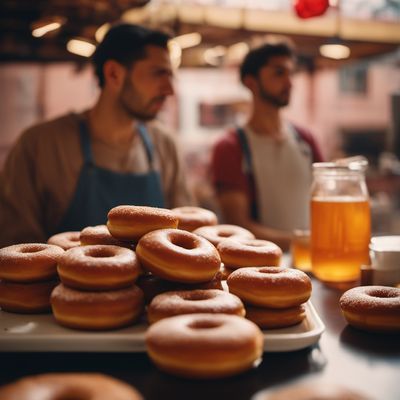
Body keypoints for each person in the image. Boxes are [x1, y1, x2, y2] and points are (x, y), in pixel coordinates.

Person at [0, 23, 193, 247]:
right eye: (159, 73)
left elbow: (185, 234)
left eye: (171, 76)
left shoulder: (165, 145)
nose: (170, 89)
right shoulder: (41, 145)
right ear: (113, 74)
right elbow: (15, 250)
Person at [211, 40, 323, 251]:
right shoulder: (231, 147)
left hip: (314, 261)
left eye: (291, 73)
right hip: (262, 266)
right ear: (251, 82)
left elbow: (327, 199)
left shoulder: (306, 139)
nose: (290, 83)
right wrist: (304, 243)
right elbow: (239, 226)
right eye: (279, 73)